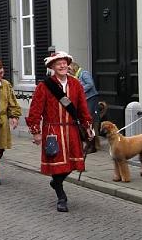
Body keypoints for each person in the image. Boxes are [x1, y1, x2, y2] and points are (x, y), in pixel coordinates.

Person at [26, 51, 95, 212]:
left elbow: (82, 108)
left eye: (64, 63)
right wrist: (36, 131)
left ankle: (56, 183)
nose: (63, 66)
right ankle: (61, 196)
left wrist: (88, 126)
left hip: (71, 129)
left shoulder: (76, 84)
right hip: (53, 130)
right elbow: (35, 109)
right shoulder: (44, 86)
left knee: (72, 164)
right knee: (57, 165)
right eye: (59, 64)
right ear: (52, 67)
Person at [69, 61, 99, 153]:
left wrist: (80, 90)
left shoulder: (84, 73)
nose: (68, 71)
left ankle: (92, 146)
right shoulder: (75, 77)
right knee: (83, 122)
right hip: (84, 100)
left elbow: (90, 84)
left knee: (89, 121)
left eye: (69, 69)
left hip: (91, 99)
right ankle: (88, 143)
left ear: (74, 68)